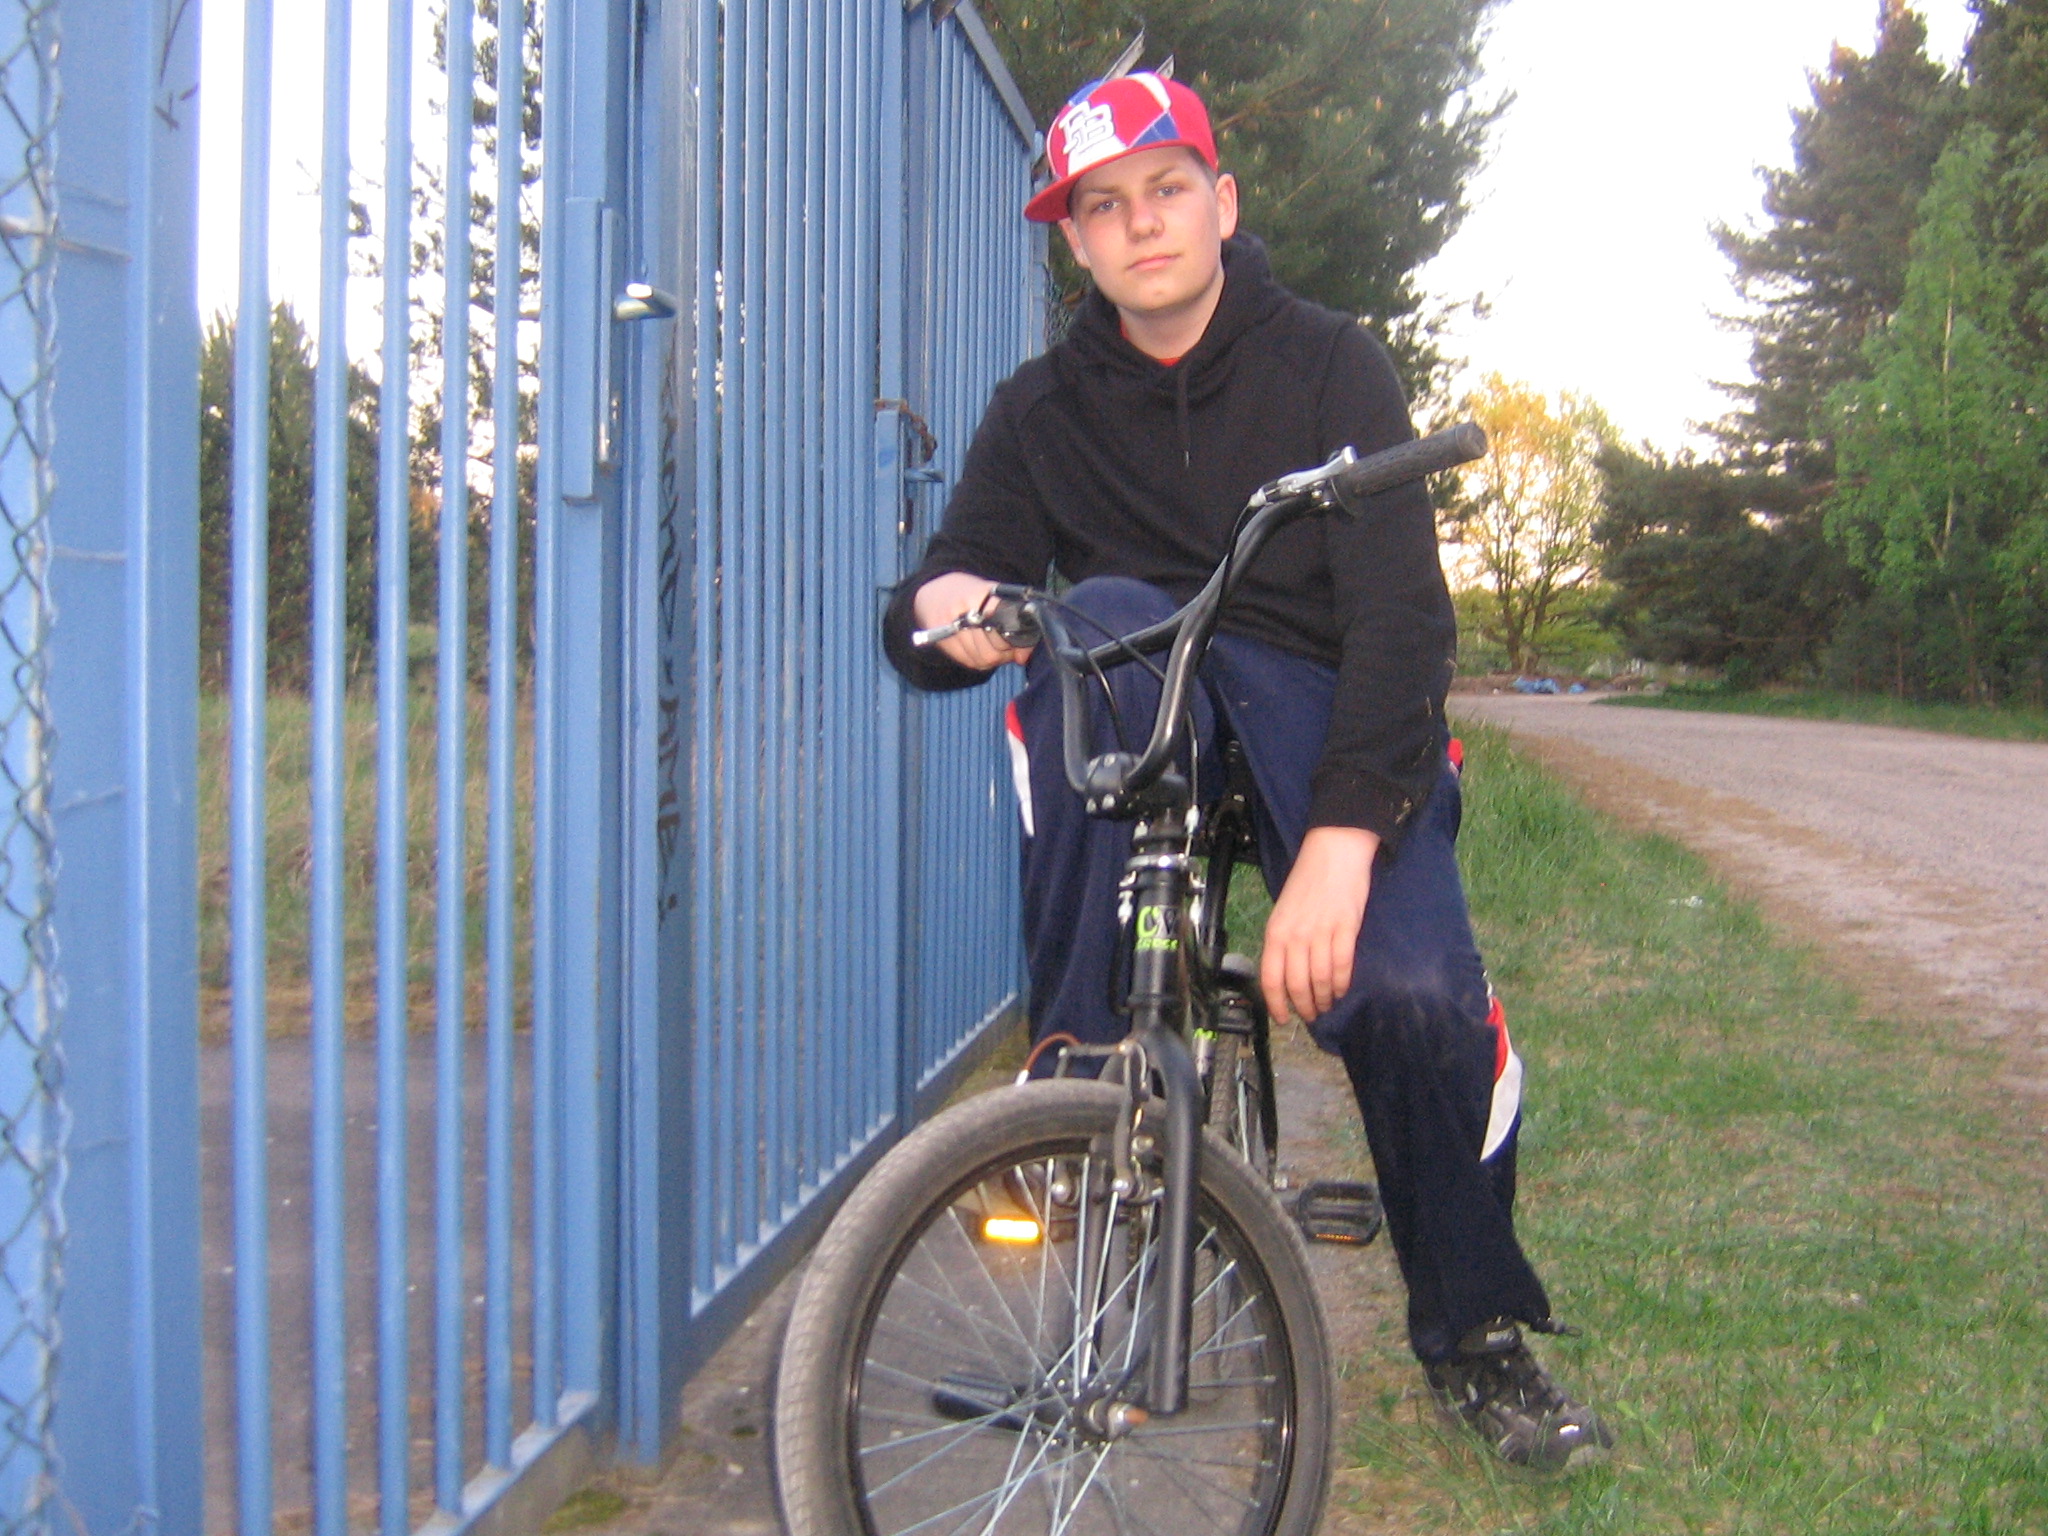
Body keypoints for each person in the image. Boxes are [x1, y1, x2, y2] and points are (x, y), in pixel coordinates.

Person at [879, 68, 1612, 1473]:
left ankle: (1476, 1335)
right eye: (1104, 205)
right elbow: (943, 588)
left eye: (1166, 189)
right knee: (1091, 627)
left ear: (1221, 202)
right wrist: (948, 610)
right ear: (1076, 241)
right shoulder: (1040, 409)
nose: (1141, 223)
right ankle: (1079, 1069)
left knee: (1411, 995)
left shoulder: (1332, 364)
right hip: (1145, 697)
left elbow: (1403, 626)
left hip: (1328, 710)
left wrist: (1341, 845)